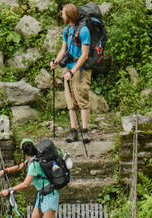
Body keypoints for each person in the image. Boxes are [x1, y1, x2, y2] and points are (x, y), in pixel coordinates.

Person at [51, 4, 93, 145]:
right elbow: (63, 49)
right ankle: (73, 130)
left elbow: (85, 55)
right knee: (70, 102)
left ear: (69, 16)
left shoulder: (84, 30)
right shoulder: (67, 30)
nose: (62, 16)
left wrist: (72, 71)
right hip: (68, 70)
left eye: (63, 14)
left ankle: (85, 131)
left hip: (80, 71)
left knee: (82, 100)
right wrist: (55, 61)